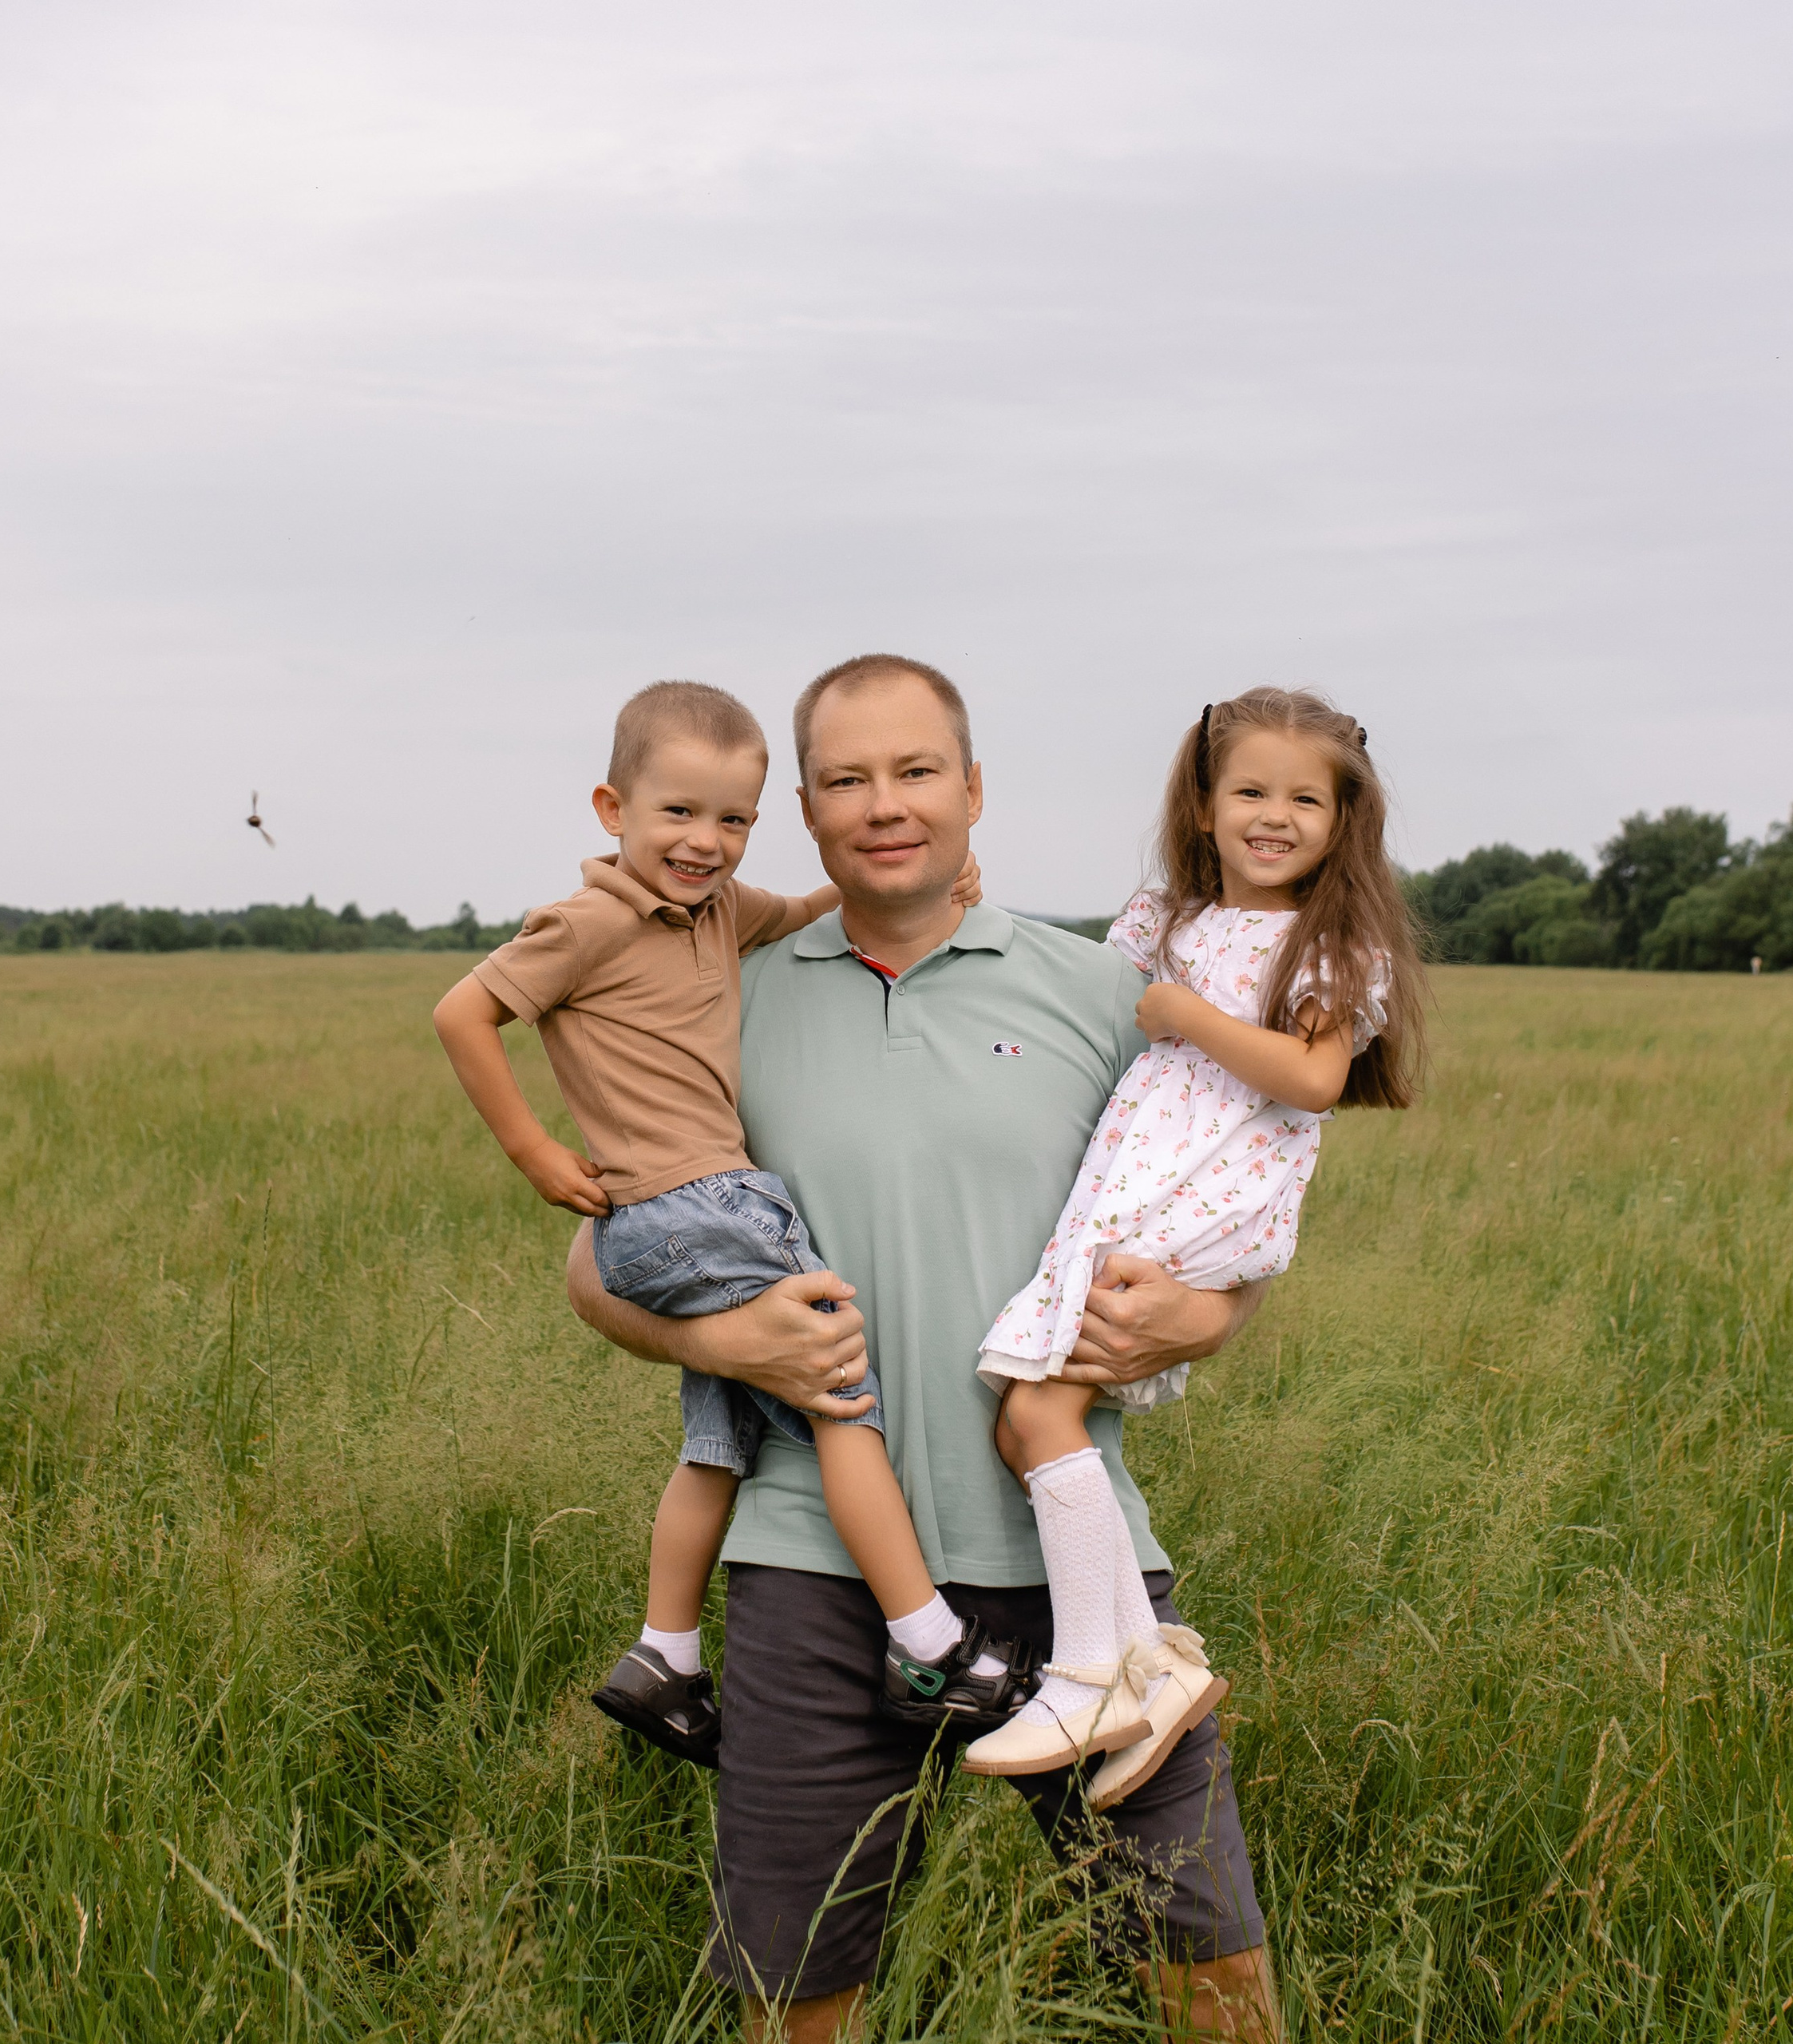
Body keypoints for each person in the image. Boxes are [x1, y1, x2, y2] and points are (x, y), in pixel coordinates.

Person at [565, 656, 1281, 2042]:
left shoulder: (1104, 990)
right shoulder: (732, 994)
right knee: (795, 1993)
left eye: (913, 772)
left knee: (1211, 1967)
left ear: (970, 788)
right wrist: (724, 1337)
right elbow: (596, 1262)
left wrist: (1205, 1319)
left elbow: (1225, 1222)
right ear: (808, 813)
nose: (882, 806)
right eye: (844, 779)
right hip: (806, 1578)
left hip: (1079, 1576)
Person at [432, 681, 1024, 1771]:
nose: (706, 843)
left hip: (684, 1220)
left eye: (734, 819)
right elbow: (462, 1011)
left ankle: (664, 1655)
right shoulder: (589, 921)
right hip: (700, 1203)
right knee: (842, 1397)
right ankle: (929, 1647)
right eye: (678, 814)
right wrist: (530, 1149)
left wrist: (947, 890)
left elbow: (807, 914)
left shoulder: (720, 910)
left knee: (722, 1442)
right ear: (612, 808)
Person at [966, 688, 1426, 1800]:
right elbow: (1080, 984)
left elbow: (1314, 1078)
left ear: (1342, 817)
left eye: (1304, 799)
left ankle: (1089, 1676)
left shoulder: (1331, 943)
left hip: (1203, 1187)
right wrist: (976, 906)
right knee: (1024, 1427)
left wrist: (1191, 1019)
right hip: (1137, 1176)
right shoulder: (1167, 917)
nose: (1275, 816)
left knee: (1036, 1410)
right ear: (1206, 803)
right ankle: (1148, 1668)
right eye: (1251, 791)